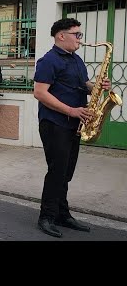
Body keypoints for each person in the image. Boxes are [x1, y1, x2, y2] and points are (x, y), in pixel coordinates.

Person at [34, 17, 111, 238]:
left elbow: (83, 84)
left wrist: (96, 86)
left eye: (80, 35)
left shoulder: (76, 59)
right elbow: (40, 92)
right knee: (57, 171)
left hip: (73, 124)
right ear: (61, 35)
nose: (80, 39)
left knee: (66, 172)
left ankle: (62, 213)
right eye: (77, 35)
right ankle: (46, 216)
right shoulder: (48, 61)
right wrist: (71, 110)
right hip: (55, 123)